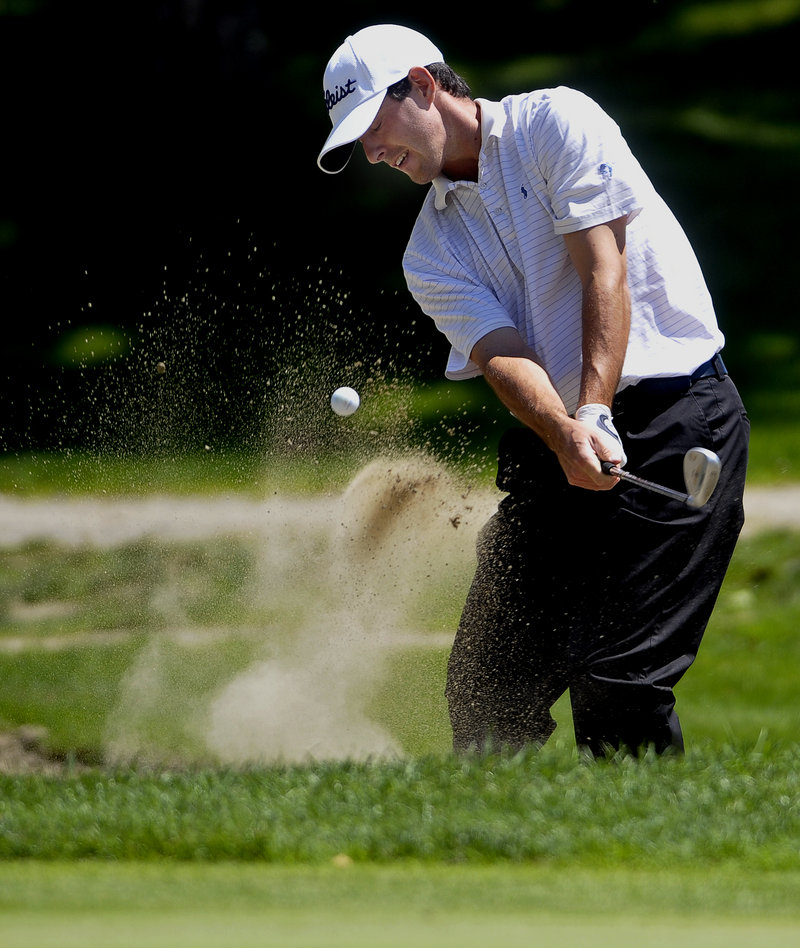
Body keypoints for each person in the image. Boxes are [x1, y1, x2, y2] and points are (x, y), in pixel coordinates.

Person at [317, 24, 749, 756]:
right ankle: (493, 850)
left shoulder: (555, 121)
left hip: (679, 423)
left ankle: (644, 856)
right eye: (356, 140)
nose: (372, 152)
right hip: (561, 445)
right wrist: (565, 429)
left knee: (620, 685)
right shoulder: (430, 251)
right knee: (486, 683)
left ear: (423, 84)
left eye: (375, 126)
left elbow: (601, 271)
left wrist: (595, 411)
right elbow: (504, 355)